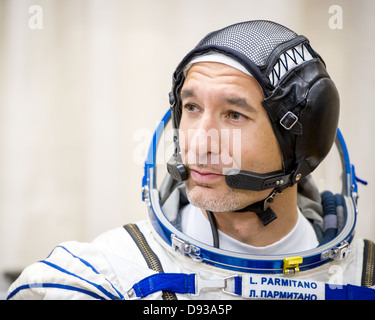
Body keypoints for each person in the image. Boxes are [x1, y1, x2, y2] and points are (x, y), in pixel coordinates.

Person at [7, 20, 375, 300]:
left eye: (234, 115)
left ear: (302, 140)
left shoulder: (364, 279)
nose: (198, 143)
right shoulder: (109, 276)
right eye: (192, 107)